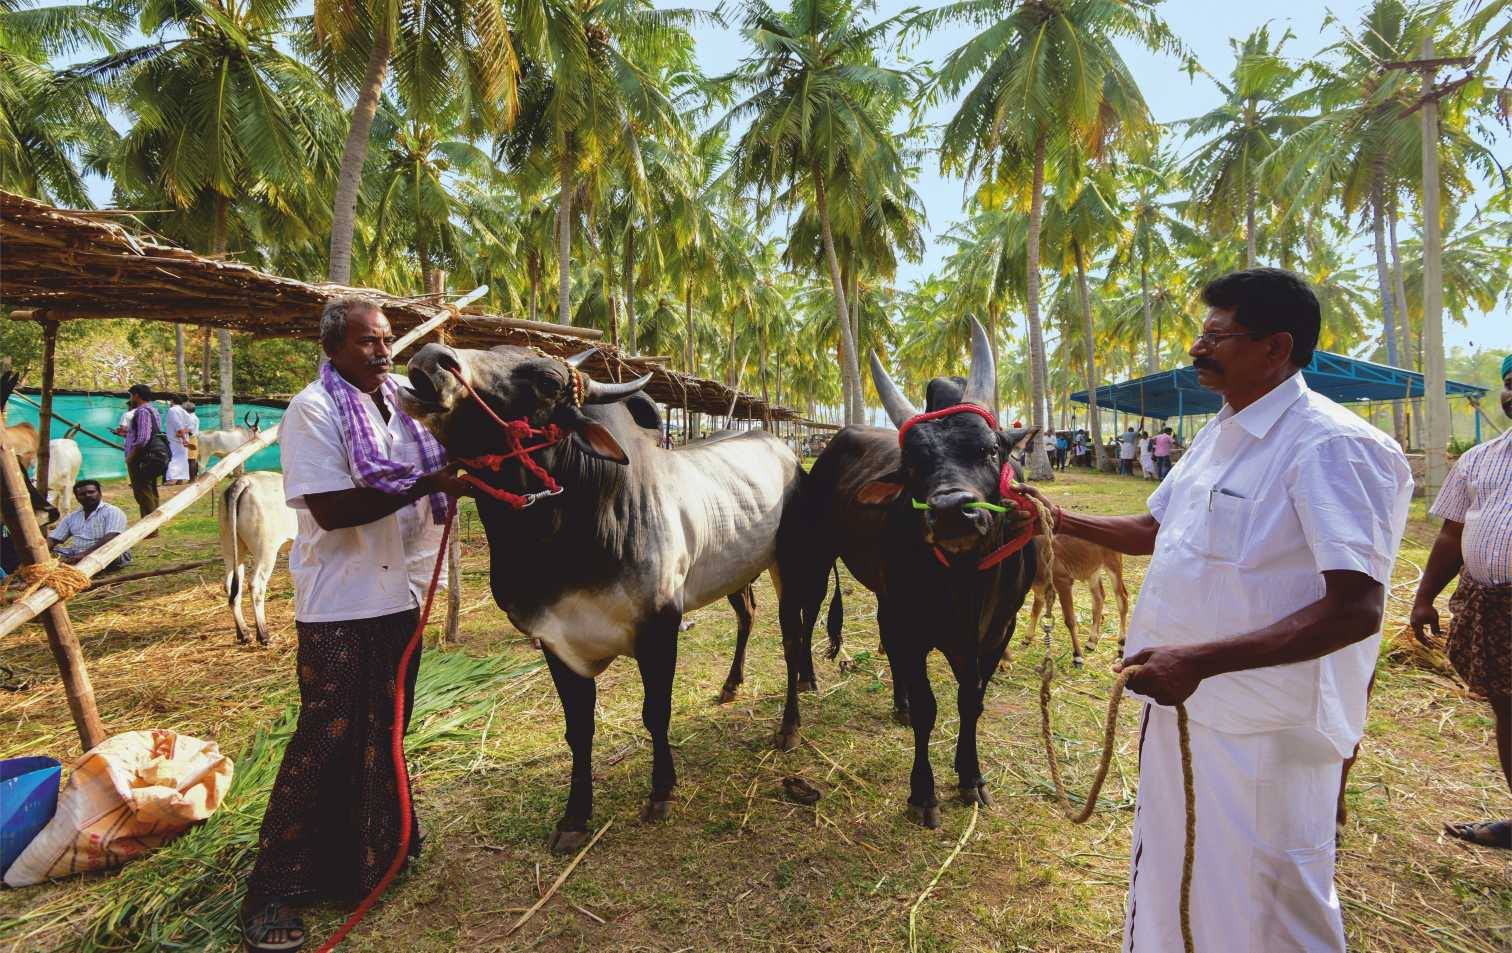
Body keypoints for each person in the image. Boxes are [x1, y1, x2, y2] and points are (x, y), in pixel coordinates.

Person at [1019, 268, 1411, 953]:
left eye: (1217, 335)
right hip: (1184, 707)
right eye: (1200, 334)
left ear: (1274, 347)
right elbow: (1152, 529)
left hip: (1267, 728)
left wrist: (1200, 660)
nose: (1199, 349)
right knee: (1181, 868)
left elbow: (1356, 608)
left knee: (1274, 895)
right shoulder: (1217, 436)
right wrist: (1056, 515)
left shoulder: (1333, 445)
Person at [239, 296, 470, 953]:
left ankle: (375, 854)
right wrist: (431, 479)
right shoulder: (311, 409)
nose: (382, 351)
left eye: (388, 339)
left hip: (400, 593)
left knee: (387, 728)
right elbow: (335, 509)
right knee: (324, 737)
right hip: (339, 604)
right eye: (368, 342)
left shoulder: (403, 398)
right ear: (333, 346)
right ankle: (273, 887)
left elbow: (458, 420)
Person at [1409, 354, 1511, 850]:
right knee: (1507, 709)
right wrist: (1425, 596)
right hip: (1490, 605)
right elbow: (1452, 535)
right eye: (1509, 384)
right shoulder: (1480, 458)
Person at [47, 480, 131, 571]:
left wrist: (85, 554)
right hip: (78, 553)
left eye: (91, 492)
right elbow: (54, 539)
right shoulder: (72, 517)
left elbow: (112, 537)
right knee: (50, 552)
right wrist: (42, 551)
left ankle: (75, 567)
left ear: (100, 493)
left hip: (106, 552)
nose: (87, 496)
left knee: (110, 552)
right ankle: (72, 565)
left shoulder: (112, 511)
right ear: (77, 498)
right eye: (82, 494)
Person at [122, 384, 165, 521]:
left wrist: (131, 456)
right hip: (151, 456)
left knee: (143, 492)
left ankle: (149, 527)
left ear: (136, 395)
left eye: (131, 395)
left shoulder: (142, 412)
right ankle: (153, 524)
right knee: (151, 490)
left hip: (141, 458)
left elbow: (143, 439)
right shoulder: (153, 410)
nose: (131, 398)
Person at [164, 398, 196, 484]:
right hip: (182, 437)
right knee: (182, 458)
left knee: (174, 457)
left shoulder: (172, 410)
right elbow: (190, 426)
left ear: (172, 401)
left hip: (176, 438)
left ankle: (171, 479)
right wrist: (185, 434)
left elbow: (177, 425)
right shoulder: (184, 411)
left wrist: (183, 438)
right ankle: (180, 478)